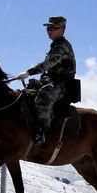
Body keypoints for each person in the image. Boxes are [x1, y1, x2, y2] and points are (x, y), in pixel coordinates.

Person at [15, 16, 76, 146]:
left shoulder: (63, 46)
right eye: (48, 28)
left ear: (62, 30)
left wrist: (28, 72)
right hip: (53, 80)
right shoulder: (55, 45)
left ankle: (42, 133)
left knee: (44, 96)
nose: (49, 30)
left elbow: (48, 64)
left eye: (53, 28)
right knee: (27, 93)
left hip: (63, 84)